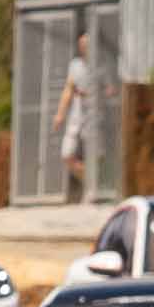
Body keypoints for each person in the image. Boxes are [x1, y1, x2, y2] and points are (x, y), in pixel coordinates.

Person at [51, 31, 98, 203]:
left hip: (95, 113)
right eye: (82, 45)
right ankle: (92, 183)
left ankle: (93, 191)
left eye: (87, 45)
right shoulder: (75, 65)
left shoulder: (101, 64)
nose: (84, 48)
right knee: (67, 153)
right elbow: (68, 90)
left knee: (95, 155)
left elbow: (110, 90)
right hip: (78, 112)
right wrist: (60, 114)